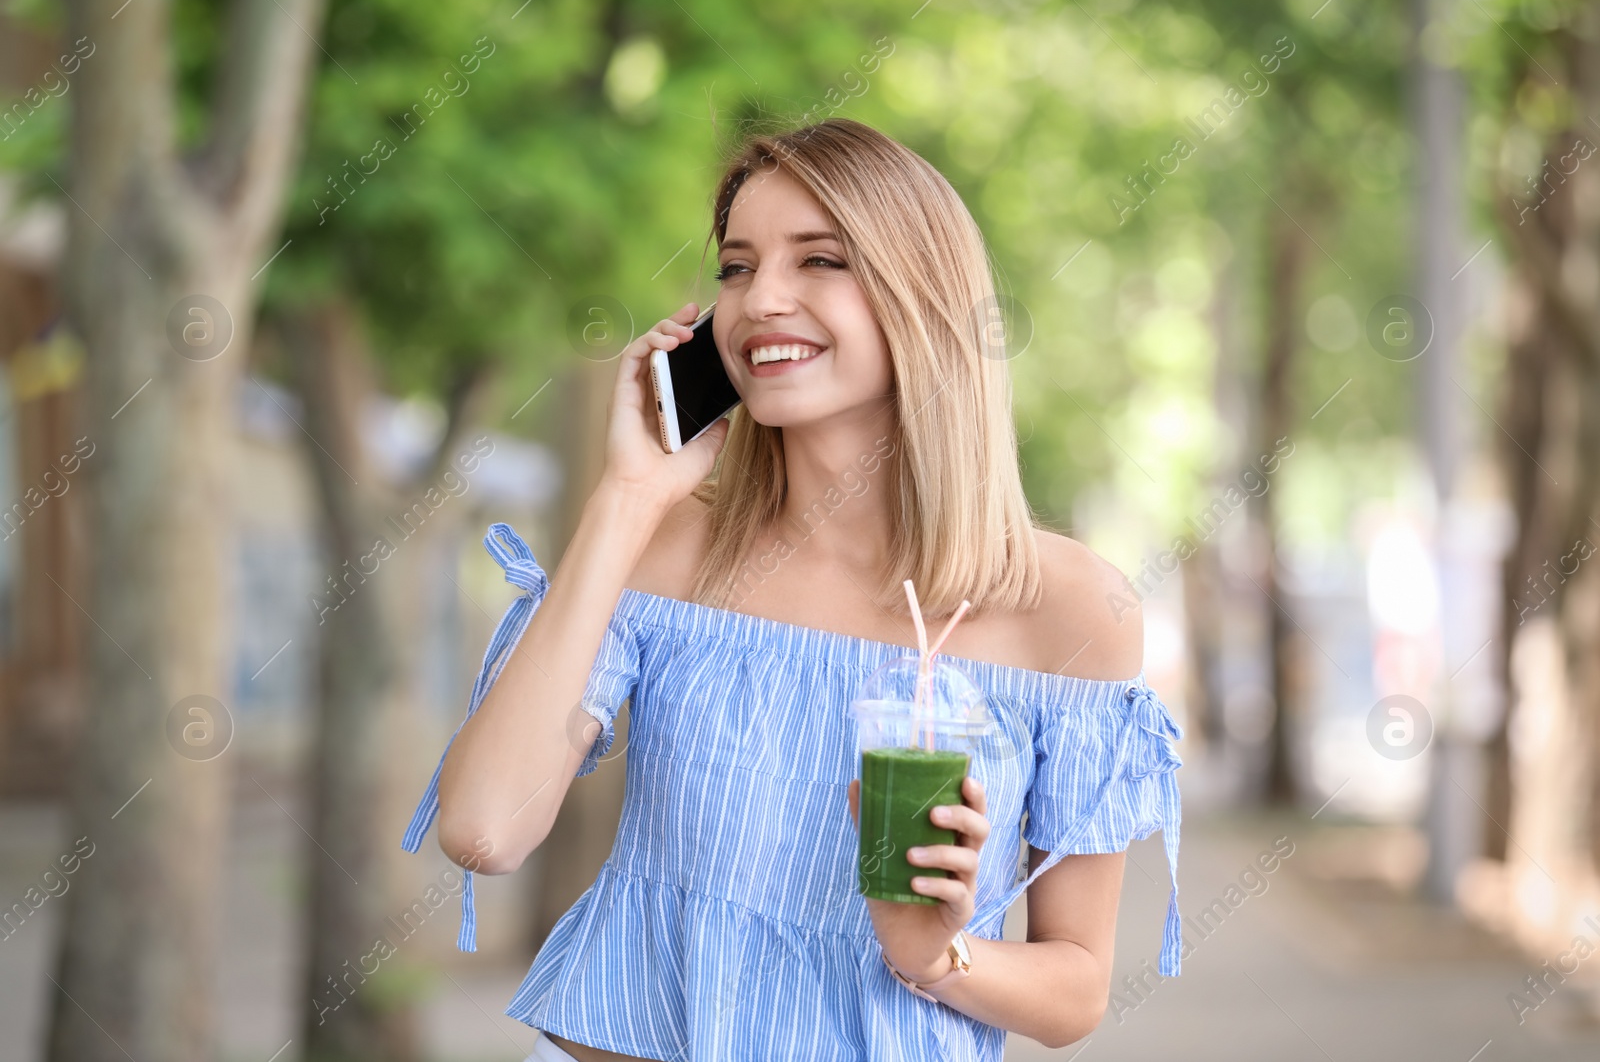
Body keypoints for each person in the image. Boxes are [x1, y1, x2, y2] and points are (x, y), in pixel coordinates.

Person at [401, 117, 1183, 1062]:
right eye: (735, 267)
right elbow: (484, 828)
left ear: (922, 300)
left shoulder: (1067, 611)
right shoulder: (668, 548)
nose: (759, 298)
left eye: (819, 261)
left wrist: (937, 957)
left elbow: (1077, 988)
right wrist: (627, 497)